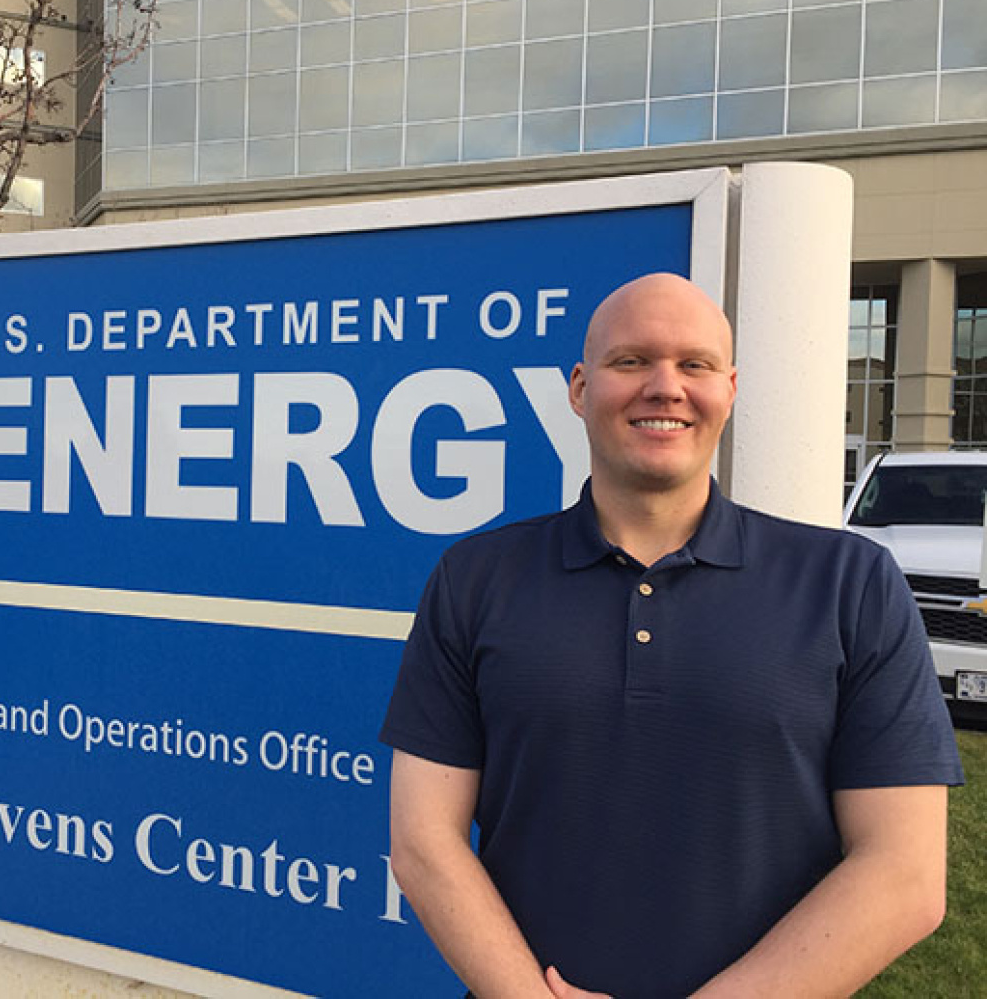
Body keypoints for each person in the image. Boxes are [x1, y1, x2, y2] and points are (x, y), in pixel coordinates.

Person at [379, 273, 963, 998]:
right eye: (631, 361)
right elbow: (422, 841)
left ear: (731, 388)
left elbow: (905, 872)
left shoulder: (852, 583)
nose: (666, 386)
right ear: (578, 388)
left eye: (695, 364)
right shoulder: (474, 577)